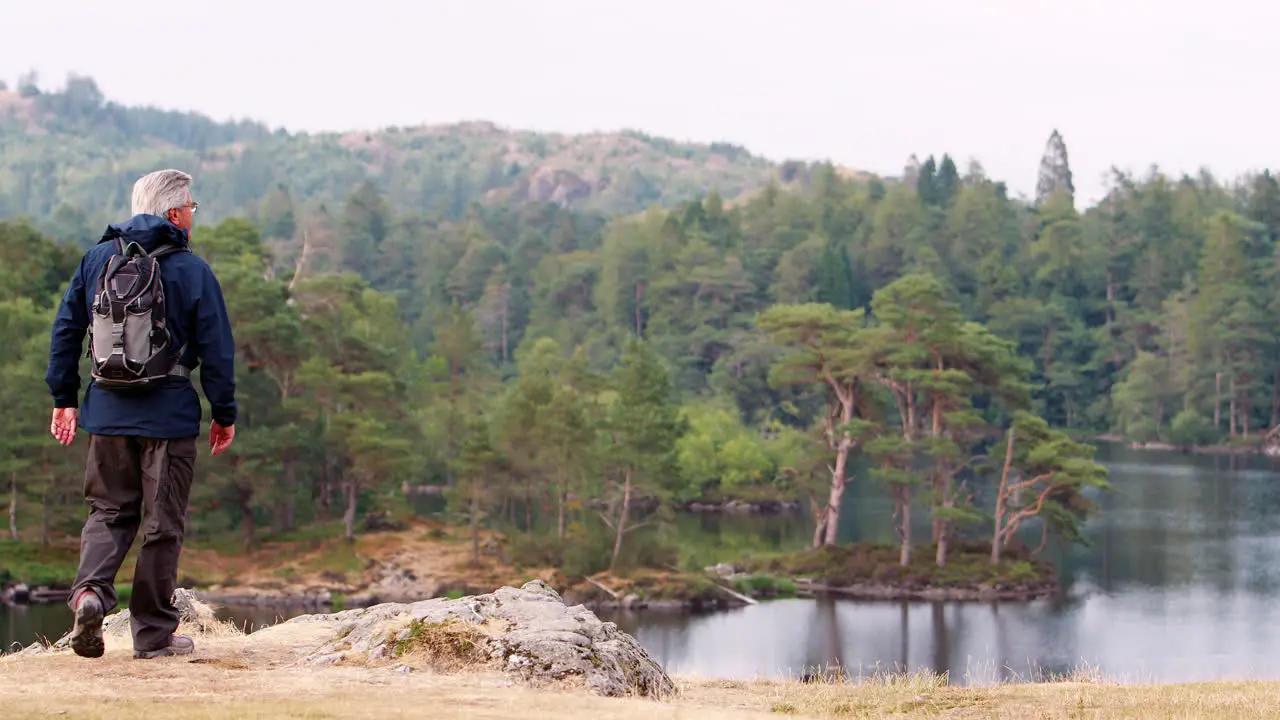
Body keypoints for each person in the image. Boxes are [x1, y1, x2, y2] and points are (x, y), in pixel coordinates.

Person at [45, 169, 237, 660]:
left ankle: (90, 594)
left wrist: (64, 397)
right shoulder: (192, 269)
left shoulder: (96, 260)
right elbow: (217, 349)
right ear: (174, 214)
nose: (192, 215)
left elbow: (66, 331)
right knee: (162, 523)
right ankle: (153, 635)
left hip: (105, 413)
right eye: (191, 207)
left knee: (107, 512)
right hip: (168, 419)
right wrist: (224, 411)